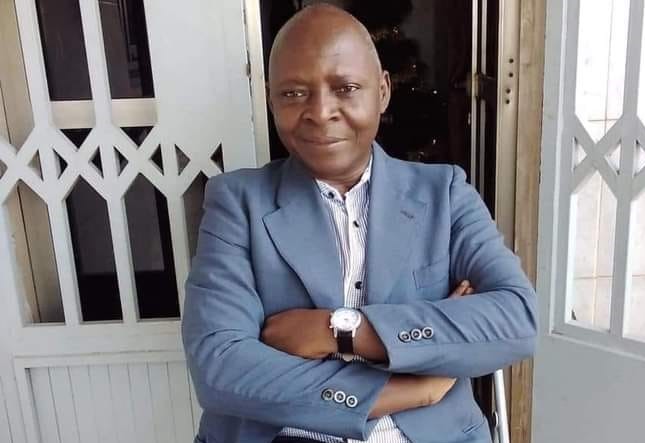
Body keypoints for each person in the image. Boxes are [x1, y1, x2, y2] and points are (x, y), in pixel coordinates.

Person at [182, 4, 536, 443]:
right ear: (271, 99)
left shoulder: (443, 194)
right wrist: (412, 388)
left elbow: (516, 319)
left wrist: (342, 330)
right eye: (293, 93)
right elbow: (220, 366)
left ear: (382, 91)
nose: (320, 112)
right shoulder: (237, 203)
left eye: (345, 88)